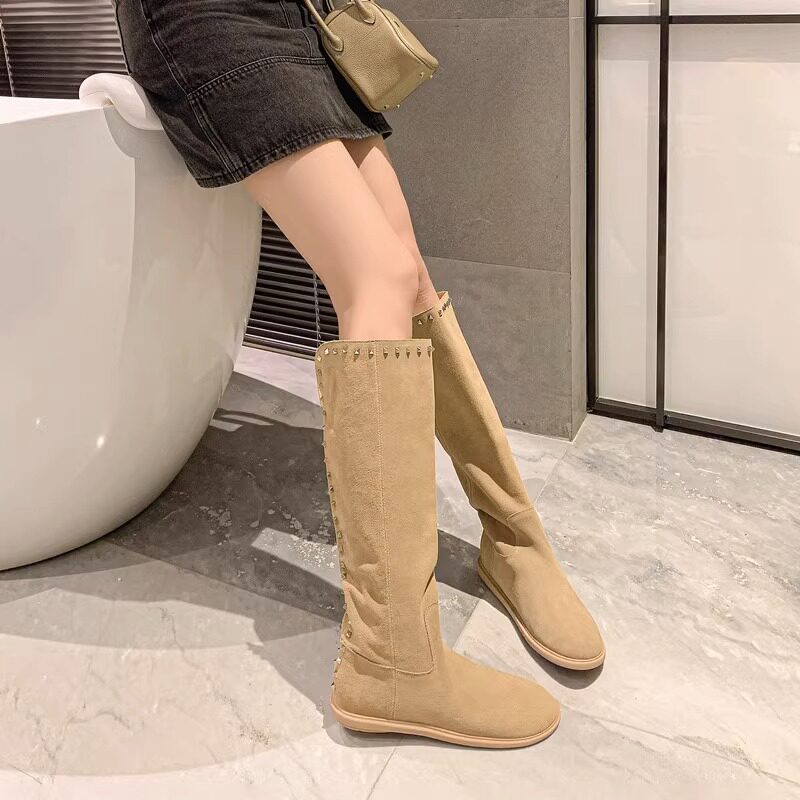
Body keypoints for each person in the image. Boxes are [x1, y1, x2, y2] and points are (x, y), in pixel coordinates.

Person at [114, 0, 604, 749]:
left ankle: (514, 541)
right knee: (374, 277)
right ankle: (391, 659)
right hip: (204, 15)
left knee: (407, 273)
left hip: (292, 18)